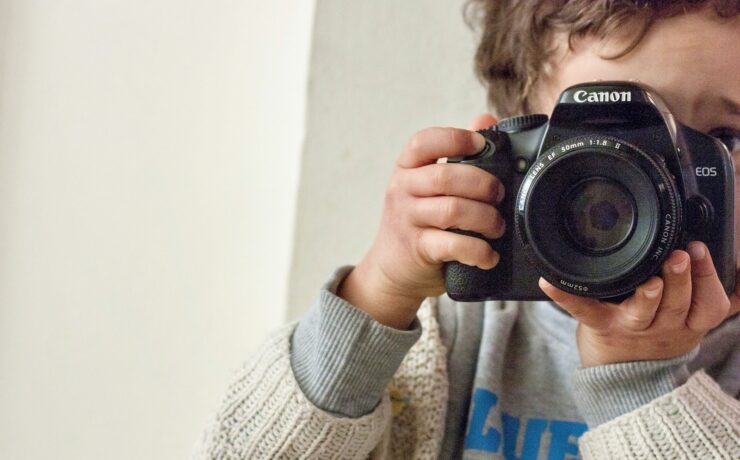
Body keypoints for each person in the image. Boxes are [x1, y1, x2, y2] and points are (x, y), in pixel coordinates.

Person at [193, 1, 740, 458]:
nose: (668, 173)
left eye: (725, 137)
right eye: (615, 137)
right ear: (515, 145)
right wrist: (378, 292)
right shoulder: (454, 333)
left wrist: (640, 384)